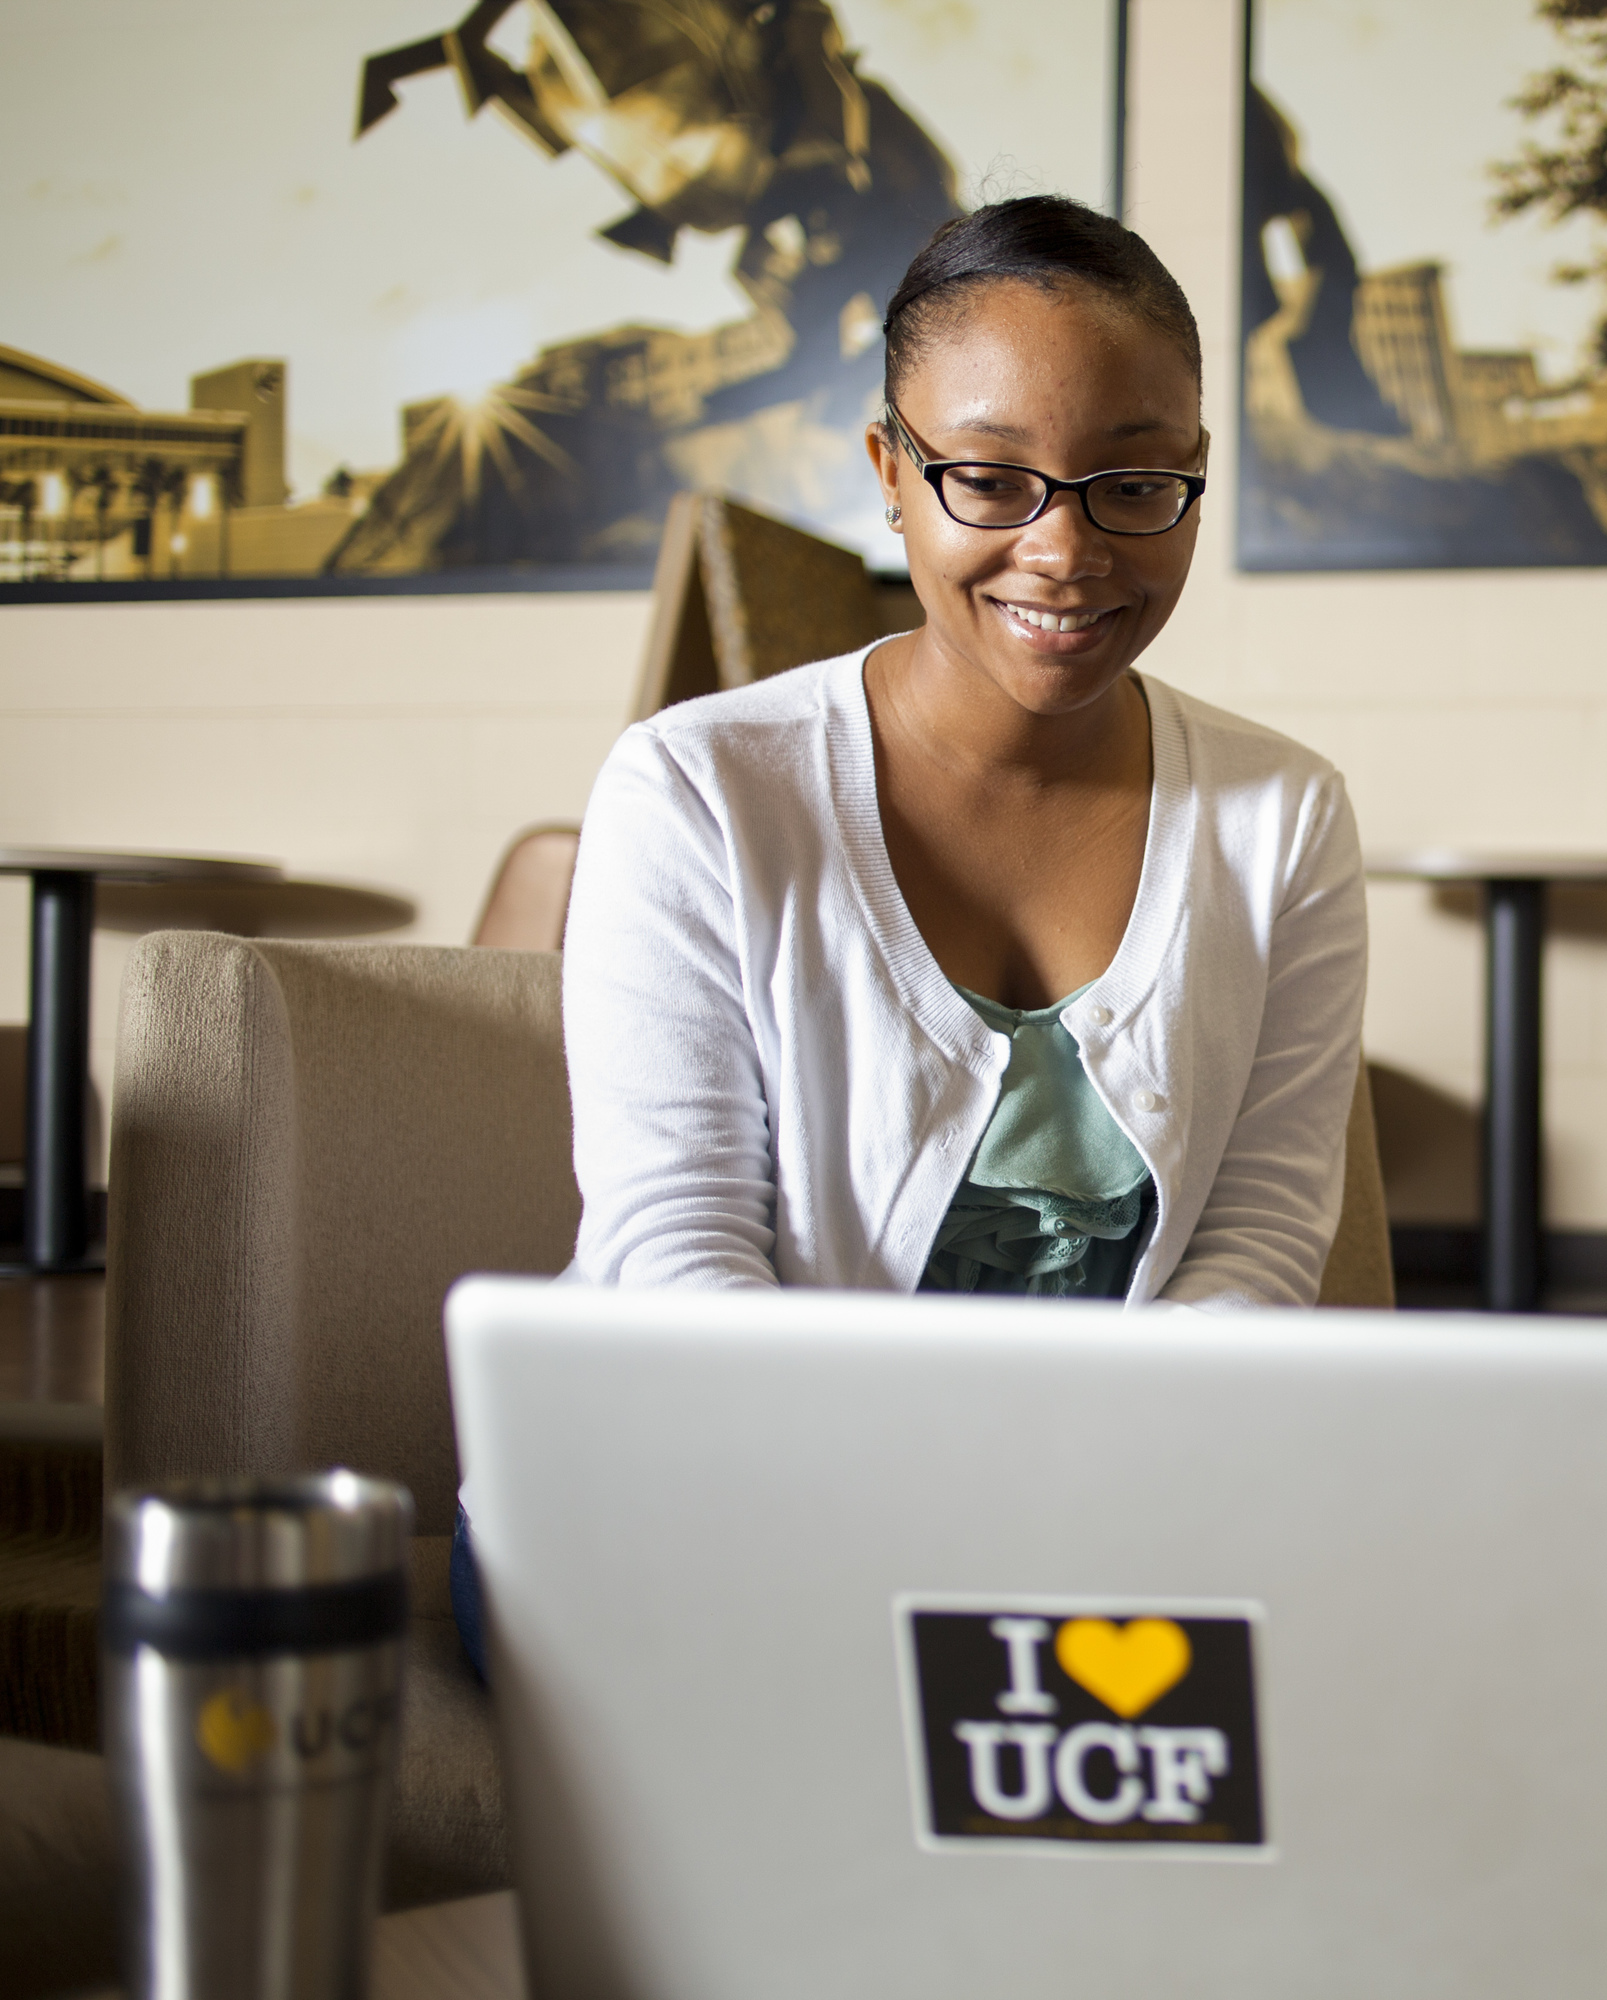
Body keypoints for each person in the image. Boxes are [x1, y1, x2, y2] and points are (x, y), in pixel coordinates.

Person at [455, 197, 1366, 1667]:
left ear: (1196, 479)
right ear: (892, 471)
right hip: (698, 1502)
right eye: (991, 481)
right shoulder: (697, 786)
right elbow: (674, 1260)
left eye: (1133, 482)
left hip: (1105, 1527)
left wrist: (1070, 1533)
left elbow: (1258, 1250)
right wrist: (925, 1553)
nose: (1064, 550)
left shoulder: (1287, 816)